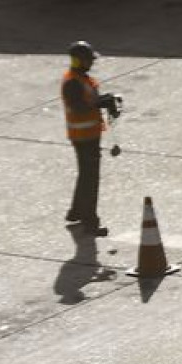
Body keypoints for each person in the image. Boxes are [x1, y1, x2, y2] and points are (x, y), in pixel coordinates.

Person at [62, 41, 120, 236]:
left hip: (89, 136)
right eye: (88, 60)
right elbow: (80, 107)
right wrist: (100, 103)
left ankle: (76, 212)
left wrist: (104, 101)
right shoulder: (72, 83)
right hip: (83, 137)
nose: (92, 63)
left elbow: (89, 102)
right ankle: (90, 224)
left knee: (85, 176)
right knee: (90, 180)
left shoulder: (82, 79)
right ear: (79, 61)